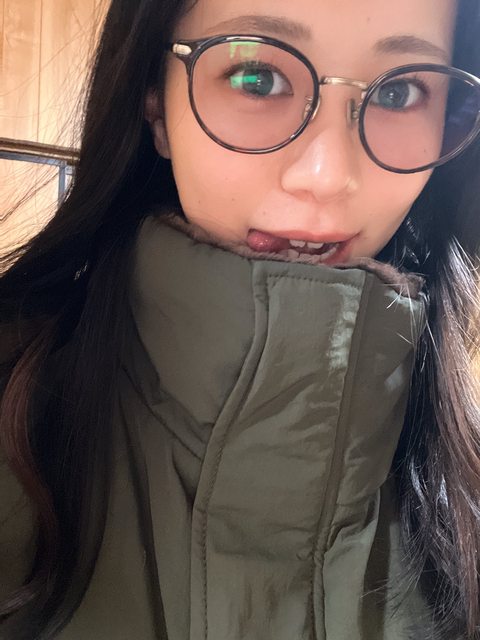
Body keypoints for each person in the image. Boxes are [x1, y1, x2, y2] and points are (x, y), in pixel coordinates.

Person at [1, 0, 480, 638]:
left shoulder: (463, 477)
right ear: (155, 102)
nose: (327, 176)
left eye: (400, 92)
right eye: (258, 77)